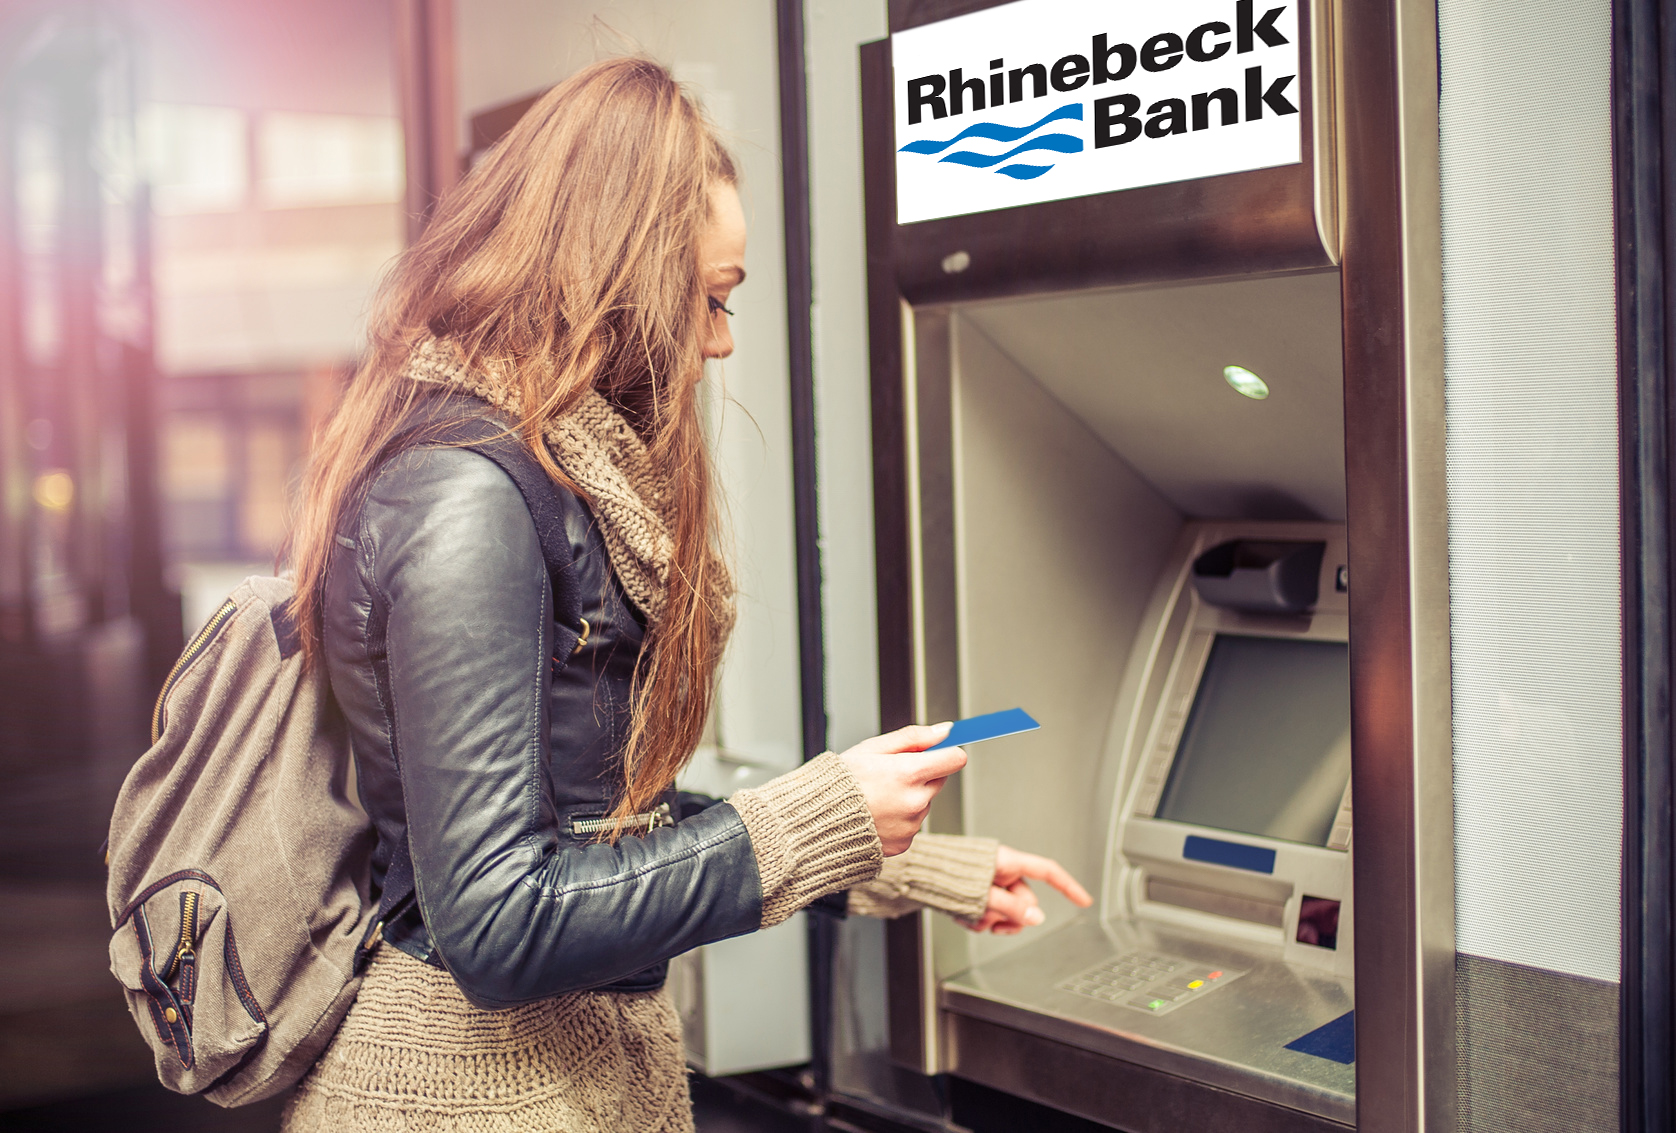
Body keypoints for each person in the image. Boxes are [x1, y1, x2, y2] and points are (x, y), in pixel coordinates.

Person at [279, 56, 1090, 1133]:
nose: (720, 339)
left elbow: (588, 826)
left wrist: (890, 856)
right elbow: (497, 919)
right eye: (707, 298)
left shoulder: (540, 474)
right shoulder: (467, 496)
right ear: (610, 275)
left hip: (557, 1083)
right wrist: (816, 815)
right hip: (464, 1094)